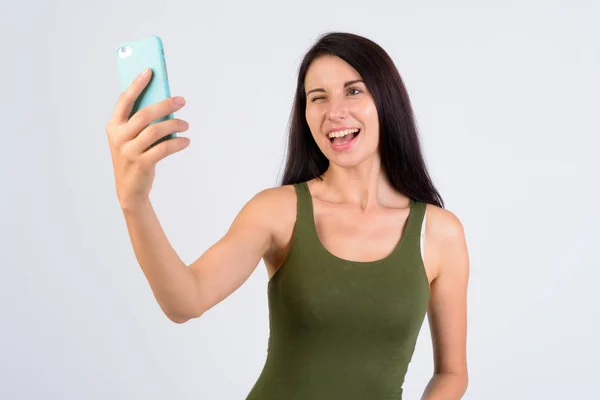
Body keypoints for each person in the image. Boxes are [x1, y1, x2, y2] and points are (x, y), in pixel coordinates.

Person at [106, 32, 469, 399]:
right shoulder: (277, 211)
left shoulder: (440, 233)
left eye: (353, 91)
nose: (334, 112)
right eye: (318, 98)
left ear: (387, 100)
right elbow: (185, 301)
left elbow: (452, 373)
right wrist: (134, 203)